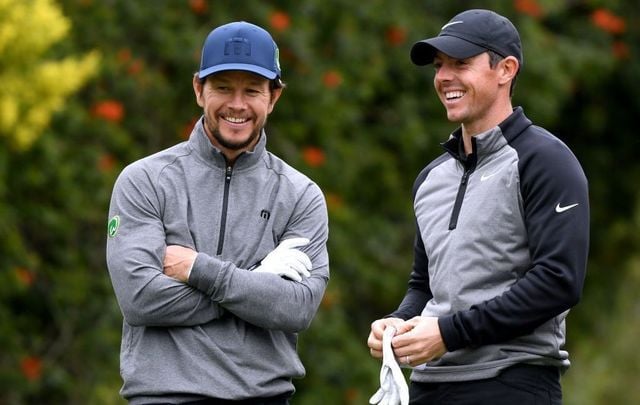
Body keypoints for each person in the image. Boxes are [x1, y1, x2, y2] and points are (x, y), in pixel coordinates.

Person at [367, 9, 589, 405]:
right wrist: (398, 322)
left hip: (511, 383)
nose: (444, 77)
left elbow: (558, 281)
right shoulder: (431, 178)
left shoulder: (546, 160)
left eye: (460, 64)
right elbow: (424, 285)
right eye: (439, 66)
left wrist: (448, 334)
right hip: (427, 387)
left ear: (505, 69)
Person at [106, 21, 329, 404]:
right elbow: (140, 298)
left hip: (265, 396)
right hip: (163, 397)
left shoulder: (300, 195)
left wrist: (198, 270)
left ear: (273, 97)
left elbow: (296, 307)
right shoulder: (145, 180)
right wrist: (257, 281)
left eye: (252, 91)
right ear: (198, 90)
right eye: (223, 88)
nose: (237, 105)